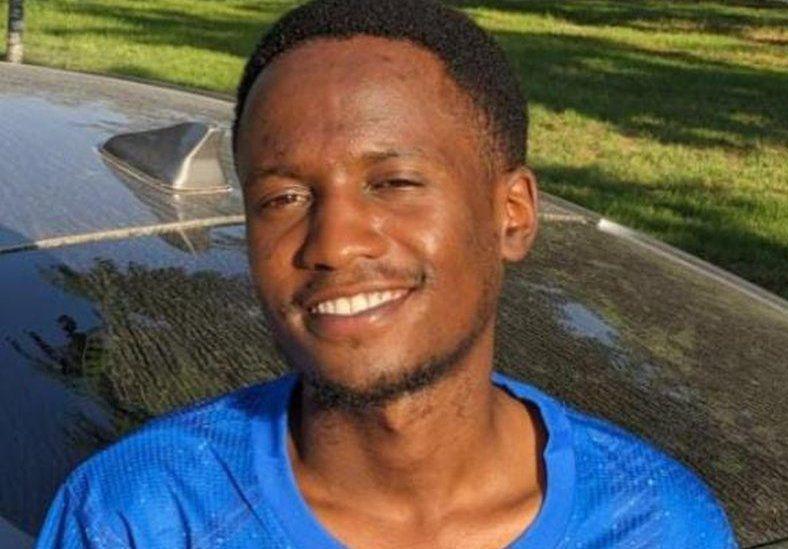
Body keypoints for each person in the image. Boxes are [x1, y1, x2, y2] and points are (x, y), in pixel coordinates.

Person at [38, 1, 736, 547]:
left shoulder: (655, 524)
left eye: (394, 182)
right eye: (283, 199)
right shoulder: (140, 518)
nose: (335, 244)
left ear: (513, 215)